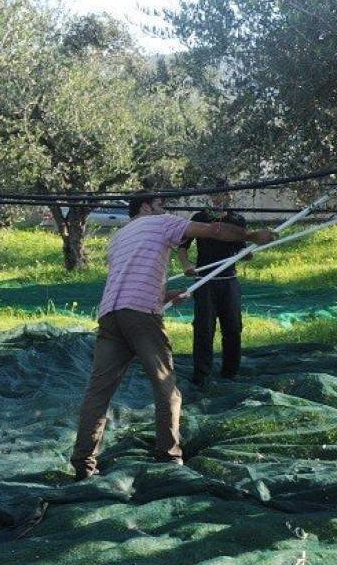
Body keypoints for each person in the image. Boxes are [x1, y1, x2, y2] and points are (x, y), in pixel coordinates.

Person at [70, 192, 274, 481]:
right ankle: (168, 455)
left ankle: (83, 462)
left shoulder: (119, 237)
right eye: (160, 205)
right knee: (166, 388)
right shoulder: (160, 223)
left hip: (110, 316)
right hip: (141, 316)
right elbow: (214, 230)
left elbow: (129, 277)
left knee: (98, 393)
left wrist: (163, 295)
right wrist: (252, 234)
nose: (165, 209)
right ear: (145, 207)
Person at [176, 189, 250, 388]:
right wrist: (186, 265)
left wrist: (246, 253)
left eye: (226, 195)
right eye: (218, 195)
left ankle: (230, 374)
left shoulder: (237, 220)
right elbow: (182, 245)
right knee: (204, 329)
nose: (222, 199)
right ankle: (201, 376)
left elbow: (240, 247)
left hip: (229, 280)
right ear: (212, 197)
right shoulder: (200, 218)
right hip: (205, 280)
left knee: (233, 328)